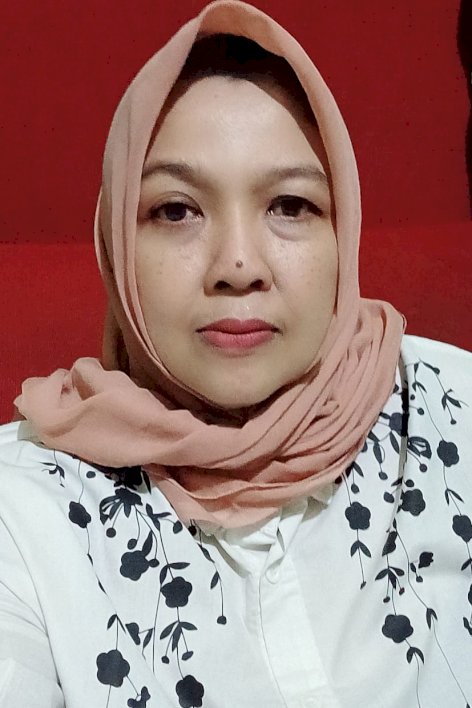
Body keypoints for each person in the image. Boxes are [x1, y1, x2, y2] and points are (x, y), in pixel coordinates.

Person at [1, 1, 471, 706]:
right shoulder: (23, 513)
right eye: (176, 210)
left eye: (290, 206)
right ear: (117, 244)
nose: (239, 265)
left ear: (344, 232)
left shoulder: (455, 412)